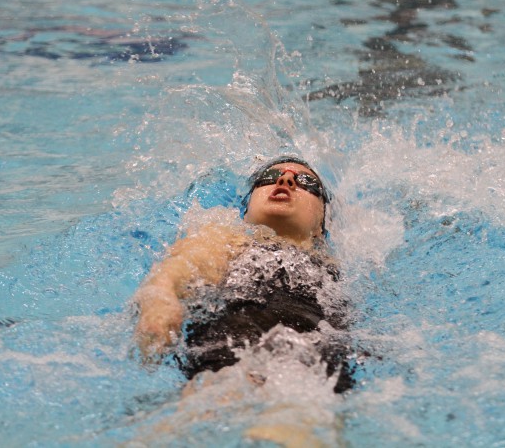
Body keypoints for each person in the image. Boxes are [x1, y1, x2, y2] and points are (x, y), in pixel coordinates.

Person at [133, 156, 353, 394]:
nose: (286, 179)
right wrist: (161, 298)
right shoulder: (229, 239)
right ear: (247, 209)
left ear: (322, 223)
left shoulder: (342, 265)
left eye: (306, 183)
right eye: (268, 178)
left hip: (317, 367)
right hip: (231, 353)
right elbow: (182, 267)